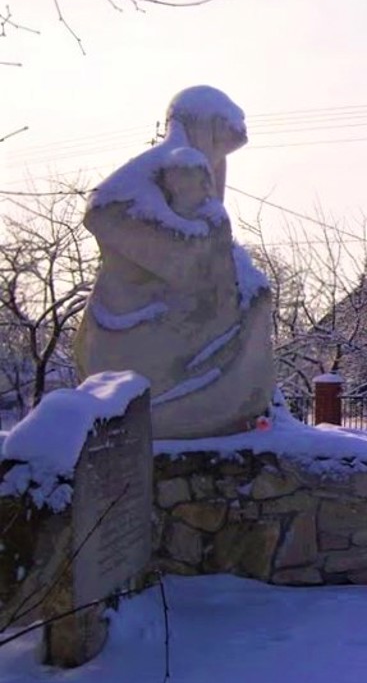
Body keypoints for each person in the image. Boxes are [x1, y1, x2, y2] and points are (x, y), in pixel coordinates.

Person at [75, 86, 275, 438]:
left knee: (256, 294)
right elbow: (101, 210)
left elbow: (213, 254)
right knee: (253, 297)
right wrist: (183, 244)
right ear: (205, 127)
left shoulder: (200, 169)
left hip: (176, 320)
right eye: (220, 142)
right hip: (137, 327)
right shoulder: (169, 163)